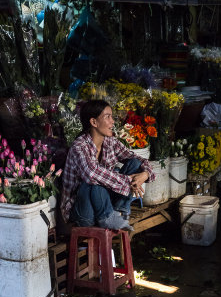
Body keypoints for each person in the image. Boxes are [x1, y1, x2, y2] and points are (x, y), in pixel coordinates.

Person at [60, 99, 155, 231]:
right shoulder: (79, 146)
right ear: (94, 122)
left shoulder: (110, 142)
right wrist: (130, 181)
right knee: (92, 181)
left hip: (103, 202)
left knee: (135, 163)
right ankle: (108, 217)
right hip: (83, 212)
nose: (113, 121)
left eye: (112, 116)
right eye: (108, 117)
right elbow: (92, 173)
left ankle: (119, 211)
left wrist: (145, 174)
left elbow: (137, 158)